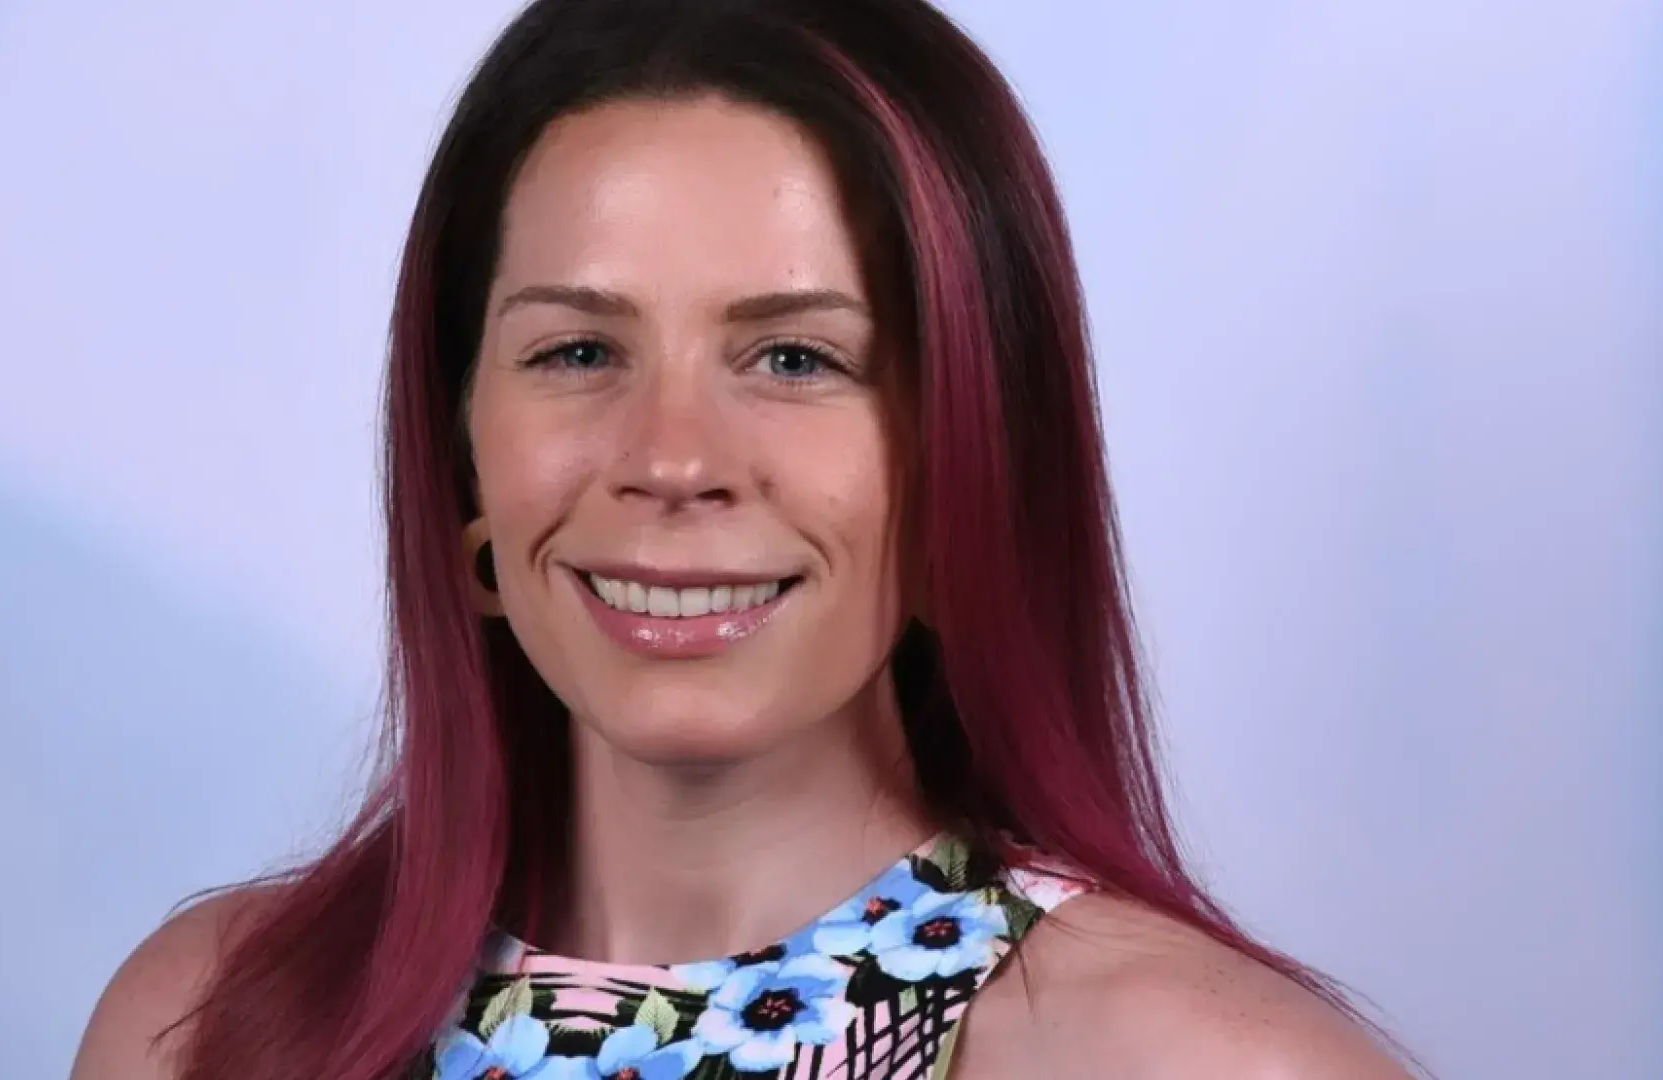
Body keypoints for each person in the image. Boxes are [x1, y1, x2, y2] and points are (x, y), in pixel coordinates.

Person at [72, 1, 1415, 1077]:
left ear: (971, 462)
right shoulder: (205, 1031)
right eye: (579, 349)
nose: (672, 460)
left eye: (793, 356)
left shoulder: (1195, 1064)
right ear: (460, 452)